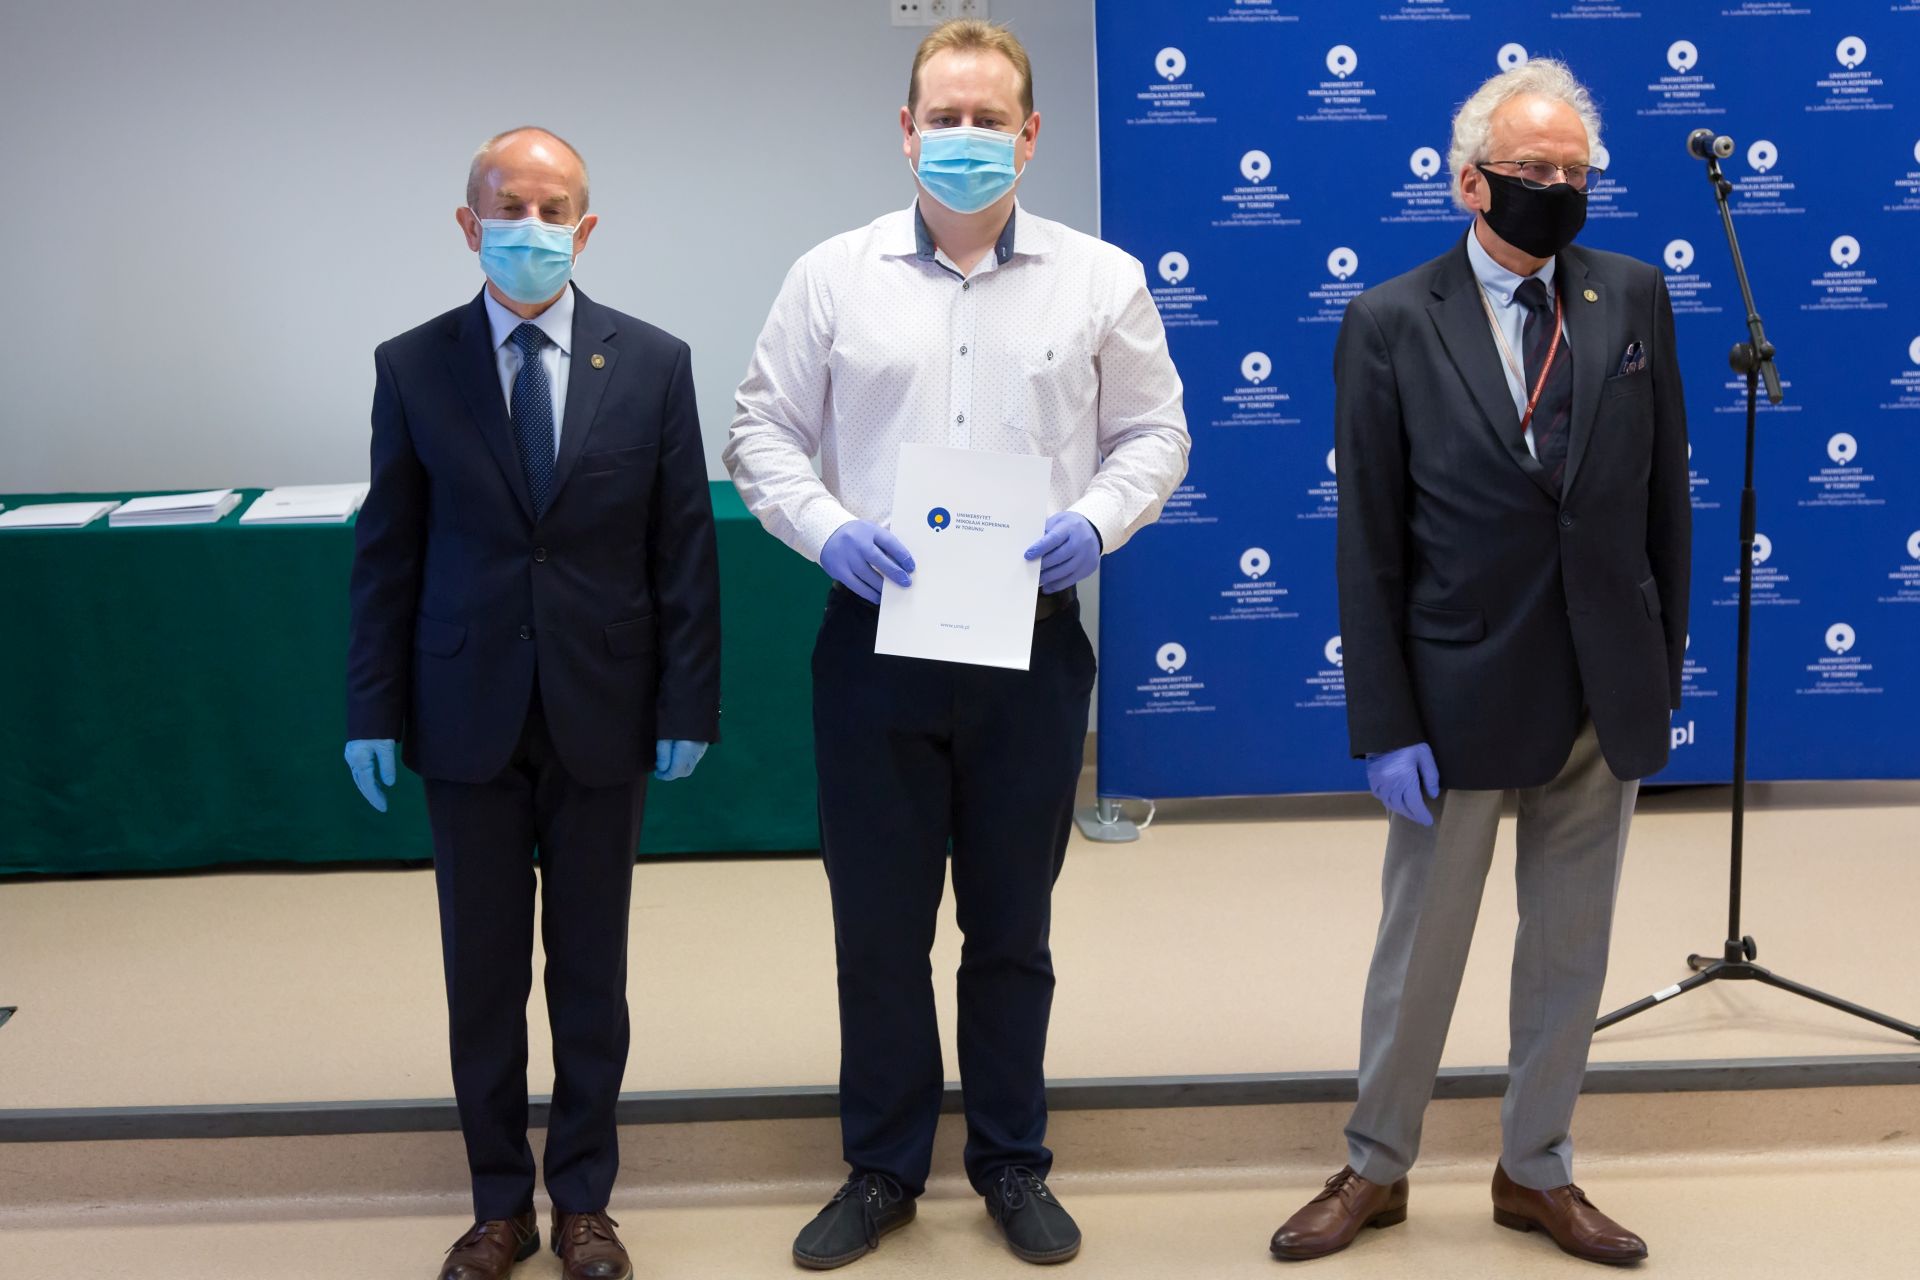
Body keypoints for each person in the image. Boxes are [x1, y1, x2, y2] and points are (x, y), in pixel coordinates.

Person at [725, 19, 1187, 1270]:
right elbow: (760, 431)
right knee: (878, 928)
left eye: (991, 119)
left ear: (1030, 136)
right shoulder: (833, 276)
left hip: (1031, 650)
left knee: (1011, 925)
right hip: (874, 644)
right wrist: (830, 530)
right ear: (906, 128)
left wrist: (1098, 521)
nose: (966, 138)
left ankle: (1010, 1158)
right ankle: (882, 1166)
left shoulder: (1101, 279)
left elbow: (1156, 433)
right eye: (946, 116)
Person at [1268, 59, 1689, 1267]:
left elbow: (1665, 502)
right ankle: (1376, 1161)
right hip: (1454, 694)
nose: (1557, 188)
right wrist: (1384, 719)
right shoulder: (1391, 320)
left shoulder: (1632, 295)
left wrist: (1657, 672)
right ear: (1470, 182)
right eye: (1532, 169)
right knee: (1422, 948)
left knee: (1570, 946)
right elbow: (1368, 540)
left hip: (1601, 687)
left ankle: (1536, 1167)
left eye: (1575, 172)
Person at [343, 126, 721, 1280]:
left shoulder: (652, 362)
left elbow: (683, 548)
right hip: (465, 710)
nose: (532, 227)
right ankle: (498, 1202)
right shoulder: (414, 364)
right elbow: (388, 550)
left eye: (555, 209)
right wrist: (370, 706)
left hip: (604, 705)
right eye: (509, 206)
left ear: (586, 228)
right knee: (485, 971)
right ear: (469, 223)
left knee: (591, 971)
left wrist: (689, 700)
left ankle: (587, 1200)